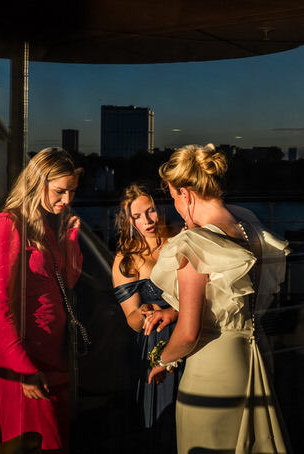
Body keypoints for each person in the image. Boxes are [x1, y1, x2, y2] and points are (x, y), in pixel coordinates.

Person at [146, 143, 290, 454]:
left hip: (212, 370)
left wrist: (162, 359)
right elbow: (229, 299)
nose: (177, 209)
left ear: (186, 193)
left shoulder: (195, 244)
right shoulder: (249, 226)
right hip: (256, 356)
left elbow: (188, 335)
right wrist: (175, 311)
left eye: (174, 199)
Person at [0, 147, 84, 453]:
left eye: (72, 192)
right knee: (35, 442)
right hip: (25, 360)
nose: (67, 200)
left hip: (52, 357)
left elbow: (64, 284)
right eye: (60, 191)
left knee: (54, 440)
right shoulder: (7, 225)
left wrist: (70, 239)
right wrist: (23, 368)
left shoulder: (42, 227)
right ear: (37, 183)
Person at [111, 182, 181, 451]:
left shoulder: (180, 238)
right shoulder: (126, 259)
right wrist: (142, 314)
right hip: (156, 339)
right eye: (137, 216)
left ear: (160, 207)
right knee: (163, 416)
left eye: (150, 211)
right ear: (127, 220)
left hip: (191, 327)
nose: (147, 221)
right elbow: (131, 316)